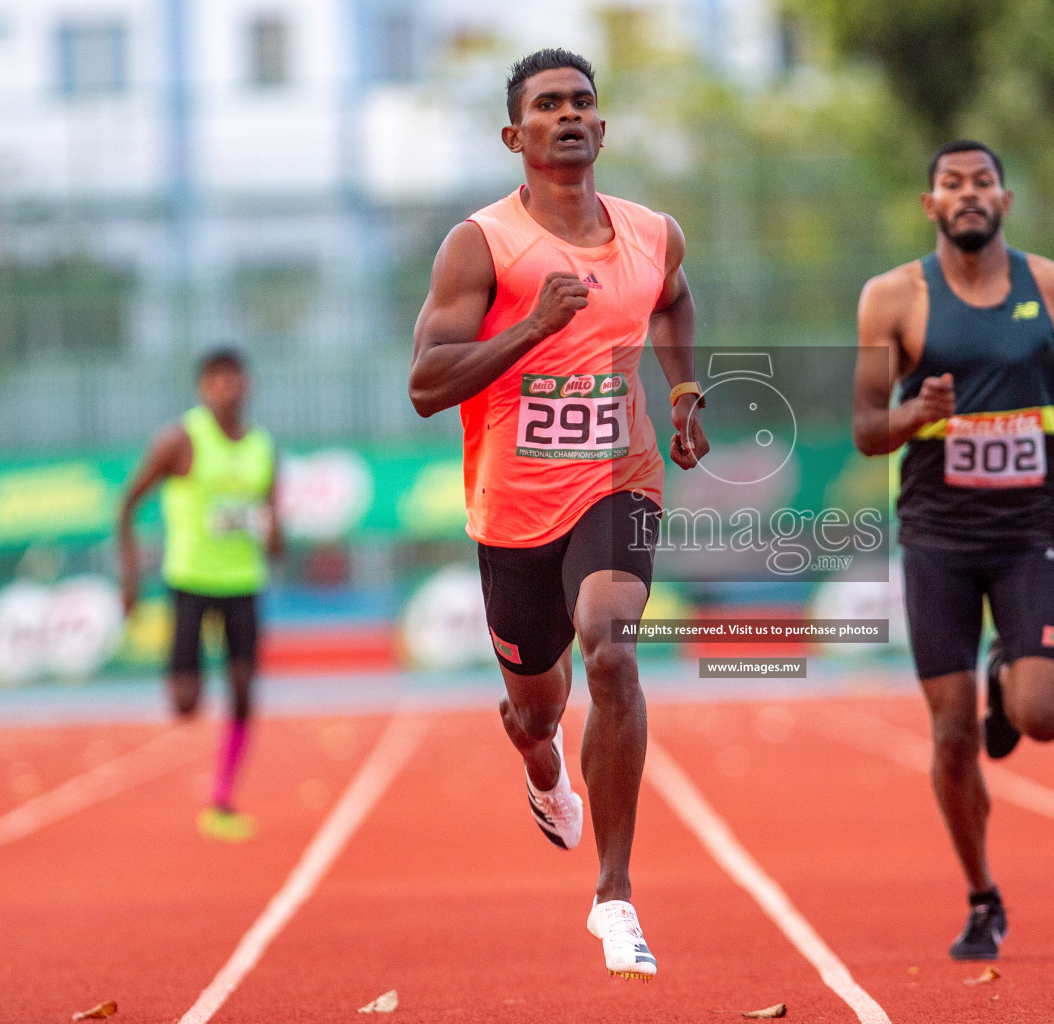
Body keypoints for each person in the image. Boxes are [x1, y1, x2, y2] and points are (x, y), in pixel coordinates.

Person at [407, 48, 708, 981]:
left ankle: (614, 896)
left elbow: (675, 298)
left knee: (610, 645)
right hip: (512, 514)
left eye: (582, 102)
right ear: (516, 136)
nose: (568, 115)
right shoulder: (481, 245)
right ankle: (541, 765)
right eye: (548, 105)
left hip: (618, 481)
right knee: (537, 711)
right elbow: (424, 385)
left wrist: (684, 384)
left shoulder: (653, 233)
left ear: (601, 130)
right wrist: (532, 327)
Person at [853, 140, 1054, 960]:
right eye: (951, 184)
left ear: (1005, 200)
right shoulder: (893, 299)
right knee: (949, 736)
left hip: (1027, 536)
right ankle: (981, 895)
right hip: (937, 537)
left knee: (1043, 718)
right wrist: (915, 414)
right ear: (930, 204)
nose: (967, 194)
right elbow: (869, 428)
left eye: (982, 183)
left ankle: (1009, 689)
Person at [119, 347, 281, 843]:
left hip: (242, 582)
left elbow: (277, 531)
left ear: (247, 384)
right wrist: (130, 577)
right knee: (186, 703)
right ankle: (188, 671)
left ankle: (222, 795)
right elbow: (126, 504)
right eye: (215, 380)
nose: (226, 388)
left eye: (234, 379)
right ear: (202, 388)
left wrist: (269, 531)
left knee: (243, 689)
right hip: (189, 578)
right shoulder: (180, 441)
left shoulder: (263, 449)